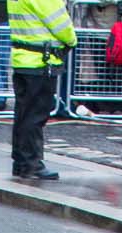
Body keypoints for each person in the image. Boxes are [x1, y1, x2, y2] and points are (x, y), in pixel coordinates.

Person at [6, 0, 73, 181]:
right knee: (35, 116)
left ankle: (21, 162)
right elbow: (61, 25)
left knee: (23, 114)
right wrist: (72, 40)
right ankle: (32, 164)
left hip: (23, 59)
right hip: (40, 61)